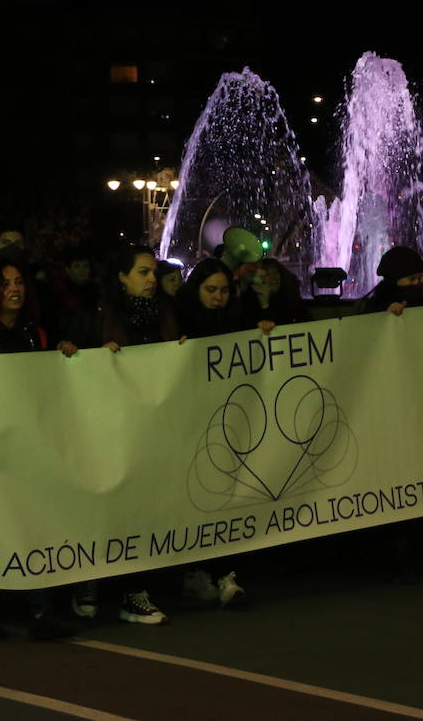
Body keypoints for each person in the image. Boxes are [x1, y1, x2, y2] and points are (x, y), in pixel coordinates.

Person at [0, 261, 77, 639]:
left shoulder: (38, 335)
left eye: (19, 282)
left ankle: (39, 611)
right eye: (5, 283)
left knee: (31, 525)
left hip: (29, 448)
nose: (14, 288)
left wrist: (67, 356)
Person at [95, 246, 180, 623]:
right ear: (121, 277)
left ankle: (137, 587)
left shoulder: (165, 317)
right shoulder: (102, 319)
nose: (151, 280)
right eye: (143, 273)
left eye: (153, 273)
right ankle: (124, 590)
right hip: (114, 433)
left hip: (154, 432)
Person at [173, 258, 247, 605]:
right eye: (210, 290)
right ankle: (197, 573)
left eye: (224, 291)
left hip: (227, 420)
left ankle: (221, 572)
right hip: (189, 422)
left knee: (223, 496)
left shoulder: (237, 319)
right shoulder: (179, 320)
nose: (218, 297)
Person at [359, 246, 423, 315]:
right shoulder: (375, 306)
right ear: (393, 280)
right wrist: (385, 316)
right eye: (412, 279)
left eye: (420, 278)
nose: (417, 283)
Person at [240, 258, 309, 333]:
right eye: (267, 274)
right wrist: (264, 305)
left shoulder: (291, 297)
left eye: (276, 272)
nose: (274, 278)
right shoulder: (249, 302)